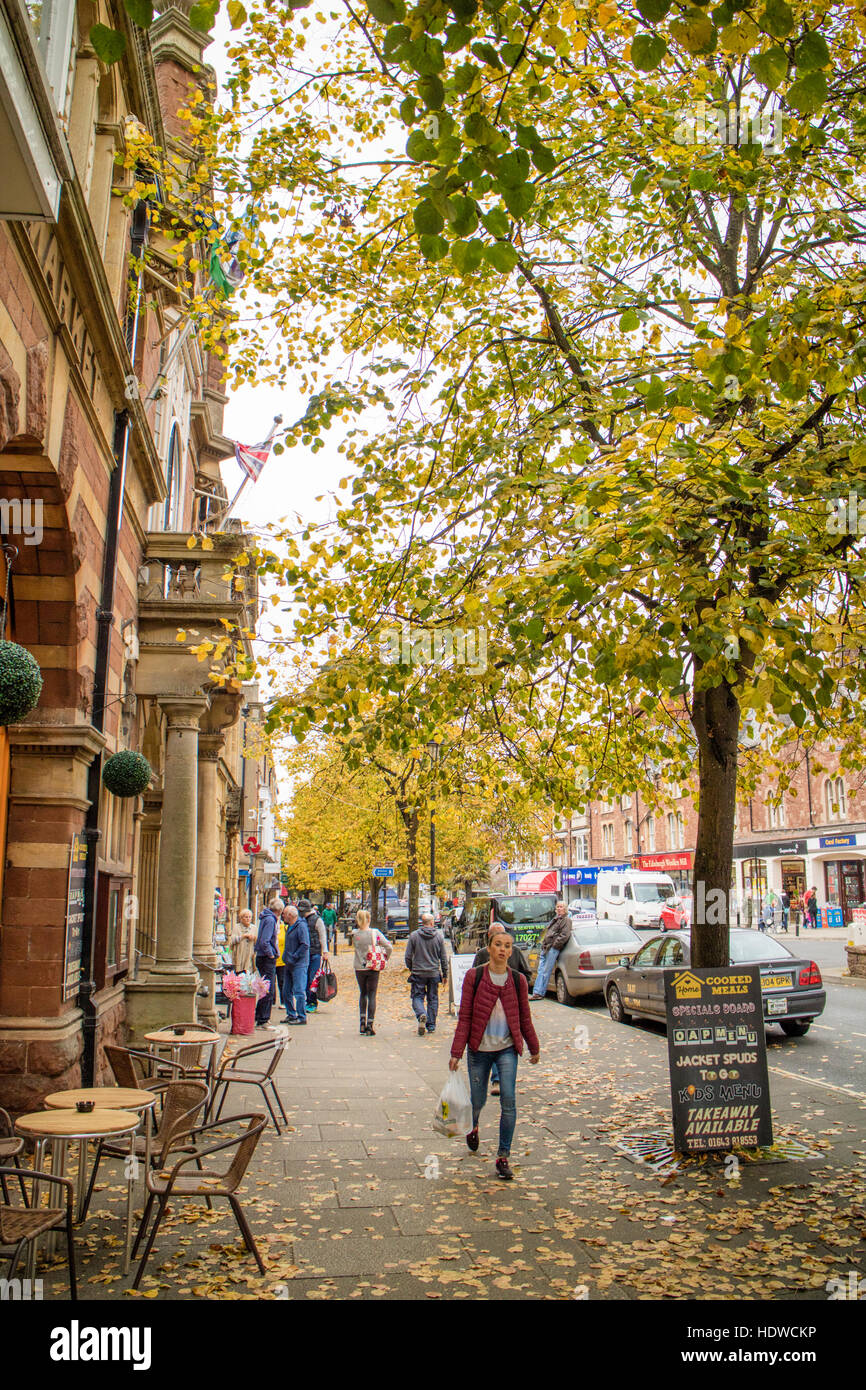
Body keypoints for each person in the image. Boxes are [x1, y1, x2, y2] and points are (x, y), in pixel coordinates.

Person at [450, 930, 540, 1181]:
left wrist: (534, 1047)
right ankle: (473, 1124)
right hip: (479, 1050)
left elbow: (524, 1018)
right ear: (488, 948)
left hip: (507, 1050)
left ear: (512, 951)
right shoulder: (474, 976)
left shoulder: (519, 981)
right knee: (477, 1101)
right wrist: (456, 1052)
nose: (502, 949)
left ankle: (503, 1156)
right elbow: (465, 1017)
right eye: (498, 945)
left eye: (507, 946)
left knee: (508, 1100)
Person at [472, 924, 532, 1094]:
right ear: (489, 942)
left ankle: (498, 1080)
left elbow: (526, 974)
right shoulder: (482, 955)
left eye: (505, 943)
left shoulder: (516, 953)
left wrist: (518, 990)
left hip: (509, 1009)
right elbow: (473, 978)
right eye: (496, 941)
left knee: (501, 1042)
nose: (501, 948)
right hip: (487, 1012)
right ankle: (494, 1080)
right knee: (492, 1042)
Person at [405, 912, 448, 1036]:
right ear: (431, 923)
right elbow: (443, 957)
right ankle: (431, 1025)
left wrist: (412, 968)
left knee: (417, 997)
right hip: (433, 972)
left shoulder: (414, 936)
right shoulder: (439, 937)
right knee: (433, 998)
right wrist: (445, 973)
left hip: (418, 972)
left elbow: (408, 956)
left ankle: (421, 1014)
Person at [351, 908, 392, 1035]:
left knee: (363, 993)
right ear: (369, 919)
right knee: (372, 994)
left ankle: (362, 1023)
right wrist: (385, 957)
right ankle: (370, 1024)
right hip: (373, 966)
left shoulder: (354, 934)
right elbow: (388, 946)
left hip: (359, 966)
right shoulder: (375, 933)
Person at [529, 900, 573, 1000]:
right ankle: (536, 992)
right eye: (557, 907)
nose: (559, 908)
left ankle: (539, 993)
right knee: (540, 970)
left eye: (561, 907)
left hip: (552, 949)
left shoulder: (566, 920)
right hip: (545, 947)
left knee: (545, 971)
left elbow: (564, 935)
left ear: (565, 908)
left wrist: (554, 946)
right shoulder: (556, 919)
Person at [297, 899, 329, 1013]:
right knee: (305, 978)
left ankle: (312, 1001)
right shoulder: (302, 920)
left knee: (312, 978)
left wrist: (325, 951)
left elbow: (322, 936)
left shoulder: (316, 920)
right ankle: (307, 1001)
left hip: (314, 953)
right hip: (307, 952)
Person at [281, 904, 311, 1024]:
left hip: (299, 963)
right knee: (286, 989)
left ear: (290, 915)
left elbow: (305, 944)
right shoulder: (290, 926)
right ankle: (291, 1014)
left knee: (299, 990)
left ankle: (301, 1016)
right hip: (289, 962)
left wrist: (294, 956)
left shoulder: (301, 926)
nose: (283, 916)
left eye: (284, 914)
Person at [254, 892, 280, 1028]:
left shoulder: (265, 917)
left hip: (261, 956)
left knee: (264, 986)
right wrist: (271, 954)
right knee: (268, 988)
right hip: (266, 958)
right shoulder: (271, 920)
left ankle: (259, 1015)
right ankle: (263, 1019)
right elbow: (265, 941)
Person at [230, 909, 256, 975]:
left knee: (248, 975)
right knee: (238, 974)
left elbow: (257, 942)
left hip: (249, 956)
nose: (248, 919)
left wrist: (254, 938)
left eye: (249, 917)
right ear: (241, 918)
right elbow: (232, 940)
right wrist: (243, 936)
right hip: (239, 956)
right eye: (246, 917)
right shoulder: (237, 927)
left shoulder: (254, 928)